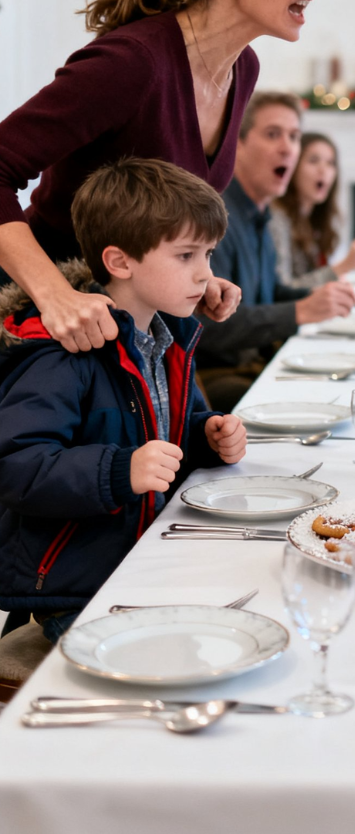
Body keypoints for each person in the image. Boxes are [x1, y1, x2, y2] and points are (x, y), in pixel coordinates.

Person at [0, 0, 326, 355]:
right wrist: (53, 294)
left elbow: (161, 209)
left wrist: (198, 275)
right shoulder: (133, 63)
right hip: (44, 334)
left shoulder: (243, 69)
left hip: (124, 330)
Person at [0, 158, 246, 642]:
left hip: (145, 558)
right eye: (186, 256)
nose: (205, 276)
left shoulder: (166, 335)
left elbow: (161, 433)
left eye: (209, 255)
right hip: (83, 587)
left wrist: (205, 436)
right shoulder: (67, 351)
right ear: (119, 262)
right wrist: (119, 471)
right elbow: (14, 463)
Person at [197, 94, 355, 410]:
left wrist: (319, 295)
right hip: (213, 377)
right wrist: (301, 311)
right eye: (273, 134)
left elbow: (269, 292)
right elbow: (210, 327)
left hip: (250, 363)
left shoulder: (261, 214)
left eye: (294, 137)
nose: (288, 148)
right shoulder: (215, 216)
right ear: (236, 144)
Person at [270, 132, 355, 289]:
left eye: (330, 163)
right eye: (313, 161)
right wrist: (344, 266)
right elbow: (283, 291)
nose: (324, 170)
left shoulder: (313, 218)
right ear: (294, 166)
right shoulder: (277, 219)